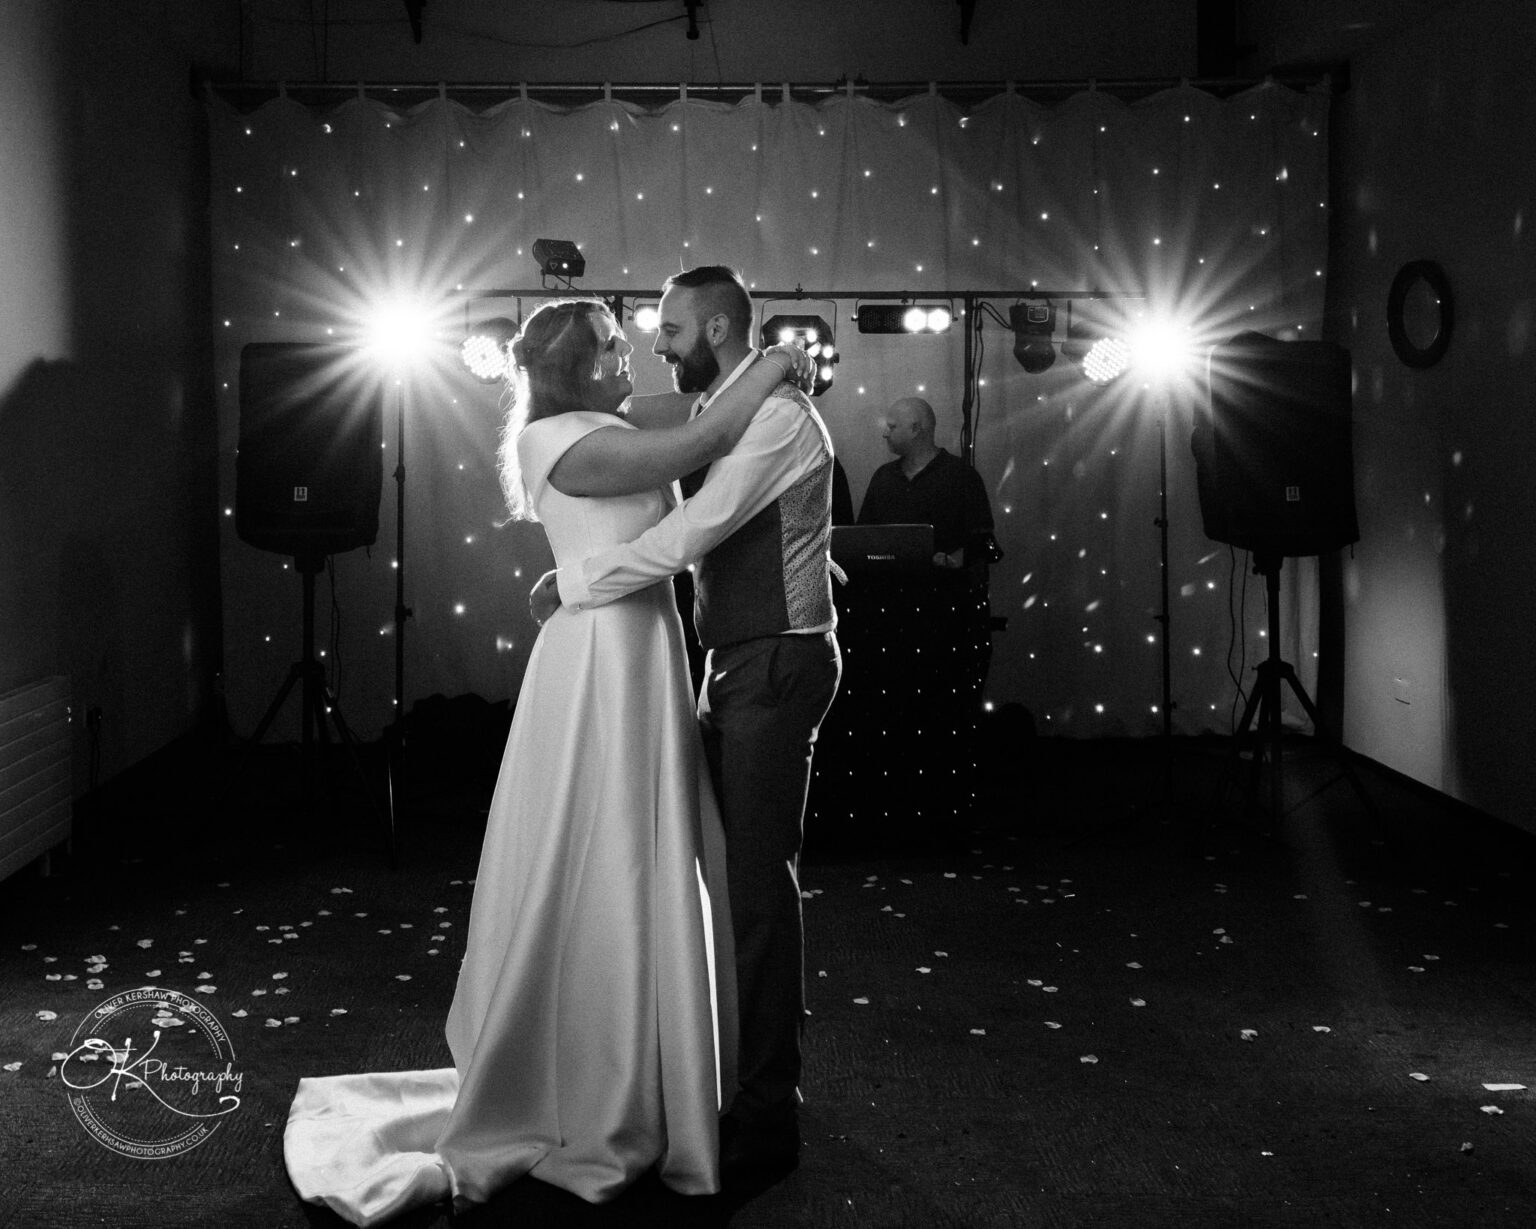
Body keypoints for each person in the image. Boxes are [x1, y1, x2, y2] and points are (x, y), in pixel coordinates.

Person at [283, 298, 814, 1224]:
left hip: (640, 643)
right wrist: (778, 361)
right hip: (600, 656)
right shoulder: (556, 438)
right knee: (602, 845)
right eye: (615, 345)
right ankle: (590, 1069)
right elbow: (702, 445)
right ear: (574, 362)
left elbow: (701, 421)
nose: (632, 355)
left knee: (655, 847)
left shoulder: (606, 421)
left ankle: (650, 1063)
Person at [531, 264, 842, 1184]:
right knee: (717, 878)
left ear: (712, 327)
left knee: (755, 890)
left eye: (667, 329)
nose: (657, 347)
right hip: (736, 664)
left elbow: (697, 529)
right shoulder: (749, 404)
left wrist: (576, 583)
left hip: (774, 668)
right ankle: (714, 1075)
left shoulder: (779, 417)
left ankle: (767, 1113)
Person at [857, 396, 995, 576]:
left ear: (915, 429)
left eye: (892, 427)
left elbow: (985, 541)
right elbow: (862, 538)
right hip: (891, 593)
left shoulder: (961, 477)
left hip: (944, 594)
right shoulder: (884, 477)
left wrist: (957, 558)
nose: (885, 433)